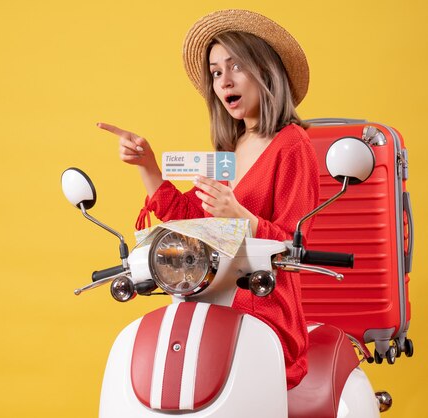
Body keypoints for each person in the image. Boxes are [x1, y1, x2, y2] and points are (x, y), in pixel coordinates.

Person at [97, 9, 319, 390]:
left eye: (235, 67)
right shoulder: (229, 149)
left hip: (262, 310)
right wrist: (147, 165)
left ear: (265, 71)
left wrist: (240, 215)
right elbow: (191, 220)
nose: (223, 81)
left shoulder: (292, 146)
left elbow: (293, 245)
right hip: (209, 302)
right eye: (216, 72)